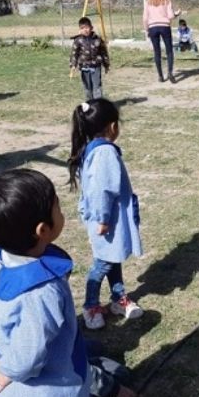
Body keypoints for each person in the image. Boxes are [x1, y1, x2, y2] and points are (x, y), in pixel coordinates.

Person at [0, 169, 90, 397]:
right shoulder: (41, 292)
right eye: (58, 207)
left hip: (12, 366)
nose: (62, 212)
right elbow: (30, 349)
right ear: (42, 229)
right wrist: (8, 370)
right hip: (49, 393)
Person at [68, 98, 144, 330]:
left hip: (105, 218)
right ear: (112, 126)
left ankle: (118, 298)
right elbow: (103, 189)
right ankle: (90, 305)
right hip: (107, 220)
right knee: (102, 263)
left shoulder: (92, 147)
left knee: (113, 257)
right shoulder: (105, 153)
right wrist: (103, 219)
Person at [142, 0, 181, 83]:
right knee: (169, 50)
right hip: (164, 26)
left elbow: (145, 17)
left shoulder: (148, 0)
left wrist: (147, 29)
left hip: (152, 27)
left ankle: (160, 75)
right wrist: (176, 14)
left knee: (157, 51)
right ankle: (170, 72)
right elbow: (170, 16)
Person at [70, 17, 110, 101]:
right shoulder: (78, 40)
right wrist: (73, 65)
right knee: (87, 87)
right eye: (82, 28)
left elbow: (104, 52)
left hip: (96, 67)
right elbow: (74, 54)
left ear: (91, 27)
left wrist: (106, 65)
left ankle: (98, 104)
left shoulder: (98, 39)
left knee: (97, 86)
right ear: (79, 30)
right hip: (84, 67)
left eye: (87, 27)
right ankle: (90, 103)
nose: (85, 30)